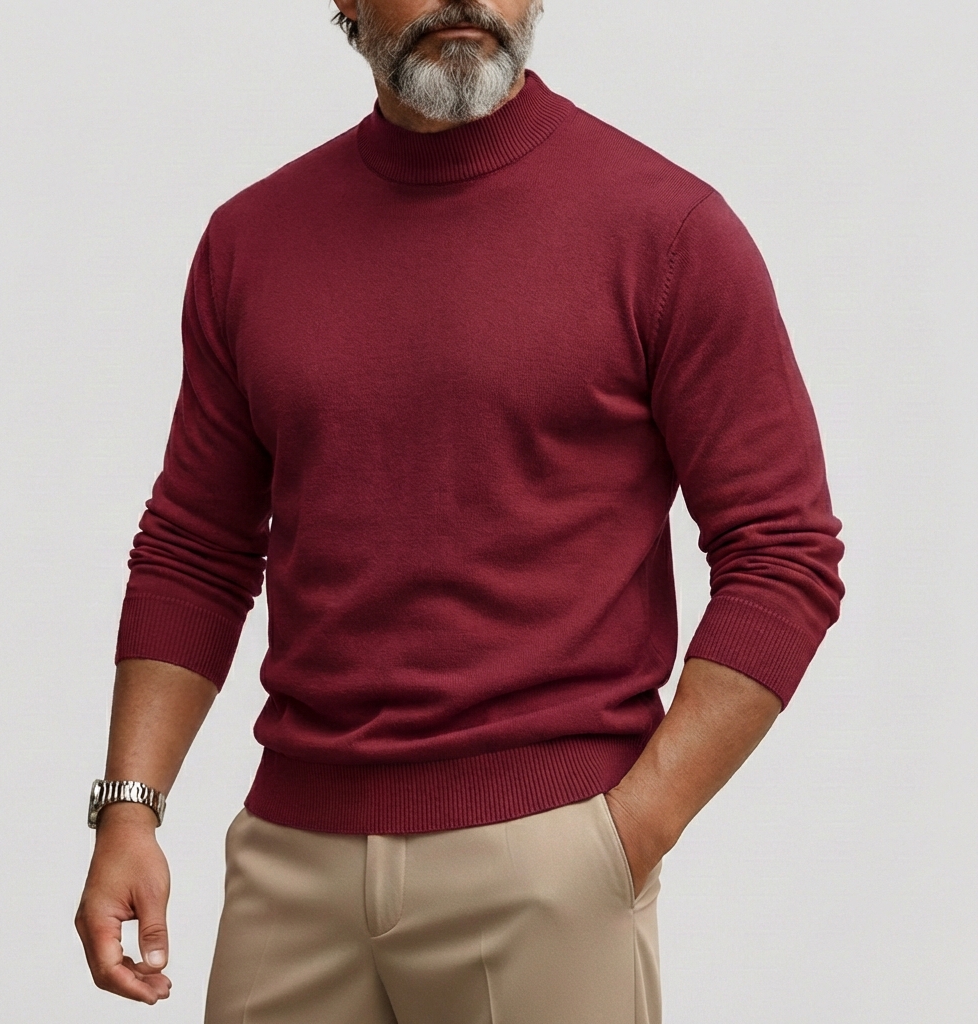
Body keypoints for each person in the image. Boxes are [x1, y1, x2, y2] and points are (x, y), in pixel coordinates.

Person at [75, 2, 845, 1022]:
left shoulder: (666, 230)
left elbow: (784, 553)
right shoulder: (251, 240)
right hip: (289, 863)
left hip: (548, 862)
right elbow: (196, 548)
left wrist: (629, 832)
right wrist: (129, 811)